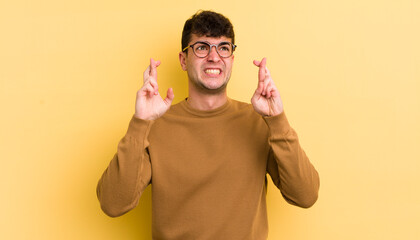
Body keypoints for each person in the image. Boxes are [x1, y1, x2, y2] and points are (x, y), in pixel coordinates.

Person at [97, 10, 320, 240]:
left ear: (232, 60)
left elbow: (305, 195)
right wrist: (140, 122)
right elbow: (113, 204)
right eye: (202, 47)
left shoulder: (260, 122)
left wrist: (278, 119)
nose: (214, 57)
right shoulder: (153, 126)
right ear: (183, 60)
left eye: (223, 48)